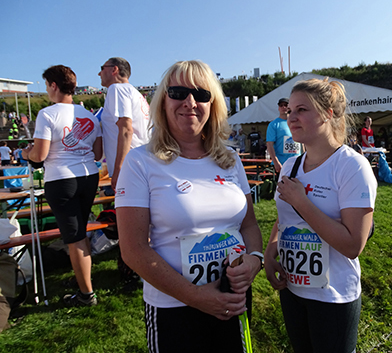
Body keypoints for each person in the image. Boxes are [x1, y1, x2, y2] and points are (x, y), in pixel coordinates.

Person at [115, 60, 263, 353]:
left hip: (232, 299)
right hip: (174, 308)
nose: (190, 103)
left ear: (214, 104)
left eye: (201, 94)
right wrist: (195, 296)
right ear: (163, 101)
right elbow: (133, 249)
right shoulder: (140, 162)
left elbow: (248, 225)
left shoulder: (230, 160)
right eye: (178, 92)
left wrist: (255, 260)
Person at [264, 78, 377, 353]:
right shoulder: (290, 165)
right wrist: (270, 250)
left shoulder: (352, 167)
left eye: (302, 110)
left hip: (334, 296)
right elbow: (284, 218)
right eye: (289, 111)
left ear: (328, 113)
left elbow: (353, 245)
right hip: (293, 290)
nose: (292, 118)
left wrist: (303, 202)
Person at [22, 65, 102, 306]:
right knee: (80, 233)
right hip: (89, 175)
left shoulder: (47, 114)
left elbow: (40, 154)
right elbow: (97, 153)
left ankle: (86, 295)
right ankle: (84, 282)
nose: (46, 91)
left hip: (61, 179)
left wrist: (27, 154)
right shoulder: (88, 114)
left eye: (47, 86)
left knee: (74, 237)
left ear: (54, 85)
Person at [98, 57, 150, 191]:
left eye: (102, 68)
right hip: (143, 161)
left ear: (114, 69)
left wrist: (119, 169)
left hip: (130, 165)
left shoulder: (117, 89)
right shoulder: (137, 94)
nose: (99, 74)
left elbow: (126, 130)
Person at [266, 97, 302, 173]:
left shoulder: (297, 122)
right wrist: (276, 162)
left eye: (285, 105)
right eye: (281, 105)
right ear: (278, 108)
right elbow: (269, 144)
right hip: (282, 164)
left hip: (297, 162)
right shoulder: (274, 124)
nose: (283, 107)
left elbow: (302, 142)